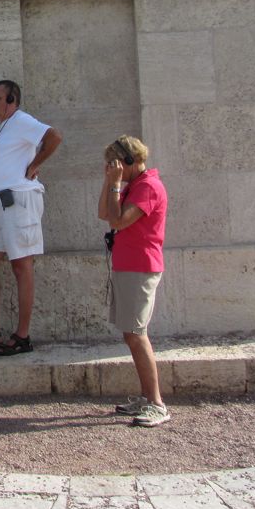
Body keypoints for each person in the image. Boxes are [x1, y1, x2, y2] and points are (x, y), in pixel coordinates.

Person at [0, 80, 62, 355]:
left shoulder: (21, 120)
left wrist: (35, 164)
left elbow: (54, 136)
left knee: (21, 266)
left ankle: (22, 336)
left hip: (19, 199)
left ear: (11, 99)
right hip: (1, 204)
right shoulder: (4, 127)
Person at [98, 135, 170, 427]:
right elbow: (104, 213)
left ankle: (156, 403)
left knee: (138, 335)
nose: (111, 167)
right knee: (131, 333)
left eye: (114, 163)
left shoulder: (148, 187)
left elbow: (118, 221)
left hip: (140, 268)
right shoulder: (133, 186)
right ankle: (145, 397)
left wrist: (116, 184)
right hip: (127, 266)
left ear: (129, 161)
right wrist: (110, 182)